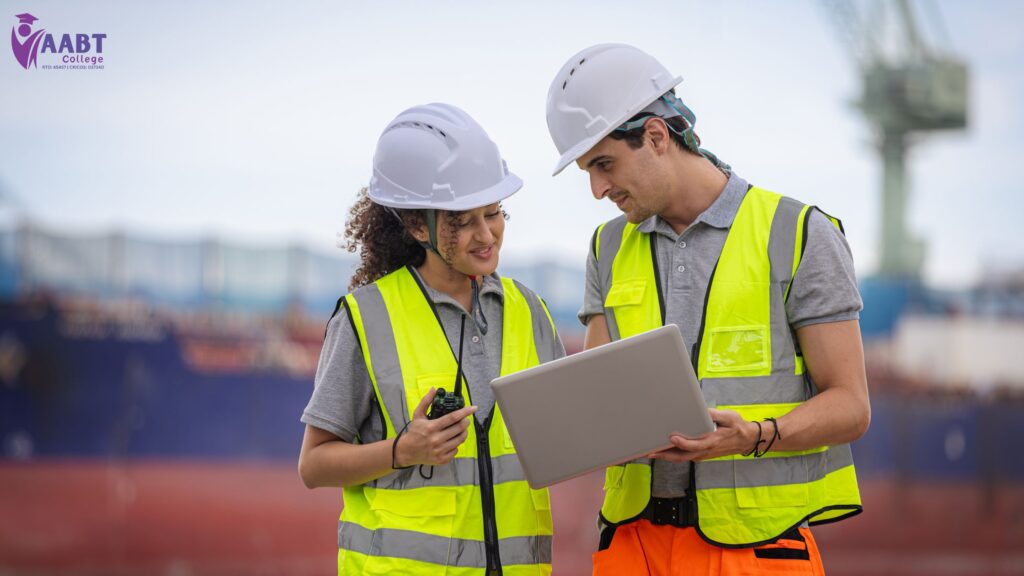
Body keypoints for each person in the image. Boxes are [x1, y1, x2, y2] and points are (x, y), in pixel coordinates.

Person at [545, 43, 870, 575]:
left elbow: (852, 406)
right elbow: (597, 397)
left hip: (756, 550)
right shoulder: (607, 246)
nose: (598, 189)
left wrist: (754, 437)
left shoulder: (797, 234)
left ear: (655, 136)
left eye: (604, 164)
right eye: (587, 170)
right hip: (632, 546)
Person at [299, 103, 563, 576]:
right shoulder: (366, 318)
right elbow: (314, 465)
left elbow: (563, 438)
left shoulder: (529, 311)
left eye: (494, 212)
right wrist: (401, 451)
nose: (487, 236)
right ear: (418, 226)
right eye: (465, 221)